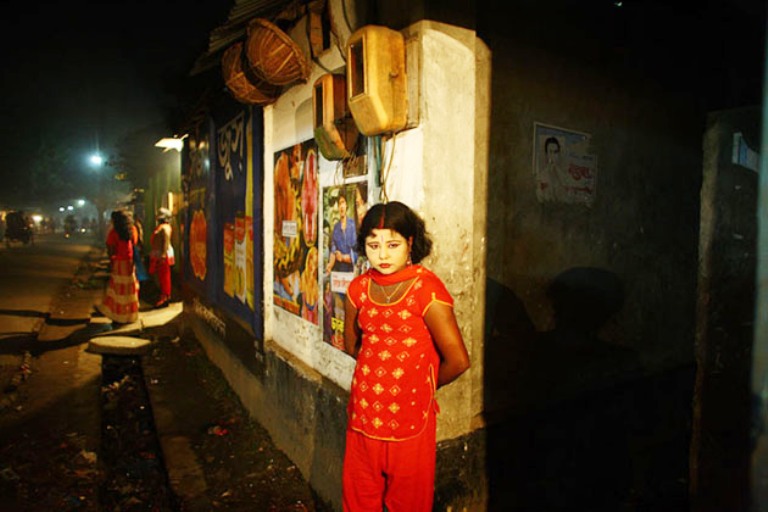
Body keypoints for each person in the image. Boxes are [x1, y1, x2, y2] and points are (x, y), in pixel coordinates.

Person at [342, 201, 471, 511]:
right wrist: (380, 377)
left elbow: (458, 361)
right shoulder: (358, 289)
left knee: (408, 504)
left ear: (410, 243)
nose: (382, 255)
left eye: (393, 244)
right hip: (363, 420)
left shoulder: (426, 290)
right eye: (373, 245)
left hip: (410, 424)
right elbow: (352, 346)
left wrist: (419, 386)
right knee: (359, 500)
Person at [98, 209, 140, 324]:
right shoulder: (132, 230)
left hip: (119, 264)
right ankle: (130, 315)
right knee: (129, 290)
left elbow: (111, 248)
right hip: (130, 263)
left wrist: (112, 261)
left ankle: (119, 316)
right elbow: (135, 242)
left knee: (118, 291)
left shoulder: (114, 232)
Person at [325, 193, 357, 274]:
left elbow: (357, 252)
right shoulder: (336, 228)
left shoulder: (353, 225)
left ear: (346, 205)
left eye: (343, 202)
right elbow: (333, 250)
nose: (341, 206)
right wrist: (330, 265)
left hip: (352, 271)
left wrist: (343, 257)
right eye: (339, 204)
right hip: (339, 272)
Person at [149, 207, 174, 308]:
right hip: (160, 254)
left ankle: (165, 297)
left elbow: (165, 241)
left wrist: (163, 255)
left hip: (162, 255)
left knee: (164, 277)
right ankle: (164, 296)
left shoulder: (164, 228)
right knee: (162, 277)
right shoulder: (164, 227)